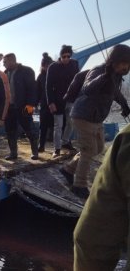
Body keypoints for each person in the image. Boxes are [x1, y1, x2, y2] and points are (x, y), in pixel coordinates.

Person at [59, 44, 130, 199]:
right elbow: (88, 88)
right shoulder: (99, 70)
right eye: (123, 62)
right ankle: (79, 185)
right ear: (115, 61)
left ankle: (68, 169)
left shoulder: (116, 76)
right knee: (88, 150)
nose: (126, 66)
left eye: (128, 64)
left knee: (98, 149)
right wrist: (105, 75)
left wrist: (124, 104)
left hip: (96, 117)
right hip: (83, 115)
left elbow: (115, 92)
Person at [73, 123, 130, 270]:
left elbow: (92, 240)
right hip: (87, 118)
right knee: (90, 149)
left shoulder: (126, 139)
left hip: (91, 120)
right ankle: (77, 182)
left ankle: (74, 177)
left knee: (93, 149)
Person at [2, 53, 39, 160]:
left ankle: (35, 152)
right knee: (10, 131)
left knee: (29, 130)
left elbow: (33, 90)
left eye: (5, 62)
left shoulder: (27, 71)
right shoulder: (4, 74)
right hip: (9, 108)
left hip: (24, 106)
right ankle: (13, 153)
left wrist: (31, 106)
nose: (3, 64)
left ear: (12, 60)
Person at [46, 45, 80, 157]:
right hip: (57, 101)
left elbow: (78, 81)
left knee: (71, 123)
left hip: (71, 99)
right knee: (58, 125)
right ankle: (57, 149)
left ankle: (65, 141)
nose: (65, 58)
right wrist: (50, 102)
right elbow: (48, 86)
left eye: (68, 56)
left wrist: (79, 97)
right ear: (60, 56)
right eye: (63, 56)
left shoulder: (75, 64)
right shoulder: (53, 67)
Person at [37, 53, 54, 152]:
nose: (47, 67)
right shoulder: (40, 77)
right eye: (45, 66)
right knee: (43, 126)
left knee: (56, 126)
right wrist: (34, 104)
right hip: (44, 105)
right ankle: (41, 145)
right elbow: (37, 91)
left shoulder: (56, 75)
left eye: (49, 65)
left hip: (56, 105)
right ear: (42, 66)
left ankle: (57, 147)